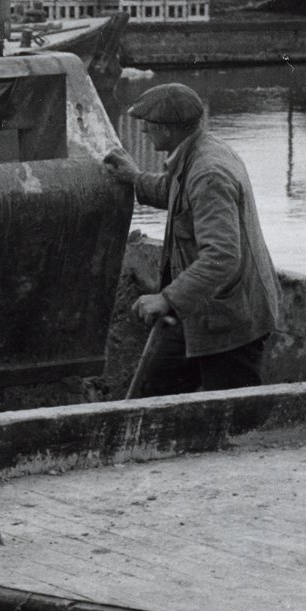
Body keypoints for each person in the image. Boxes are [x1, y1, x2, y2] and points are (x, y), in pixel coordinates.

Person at [103, 82, 281, 398]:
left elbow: (223, 257)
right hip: (196, 307)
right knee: (154, 389)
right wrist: (135, 179)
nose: (144, 131)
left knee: (233, 412)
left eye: (150, 125)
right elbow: (178, 194)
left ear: (169, 131)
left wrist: (167, 299)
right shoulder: (196, 152)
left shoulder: (208, 173)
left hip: (230, 317)